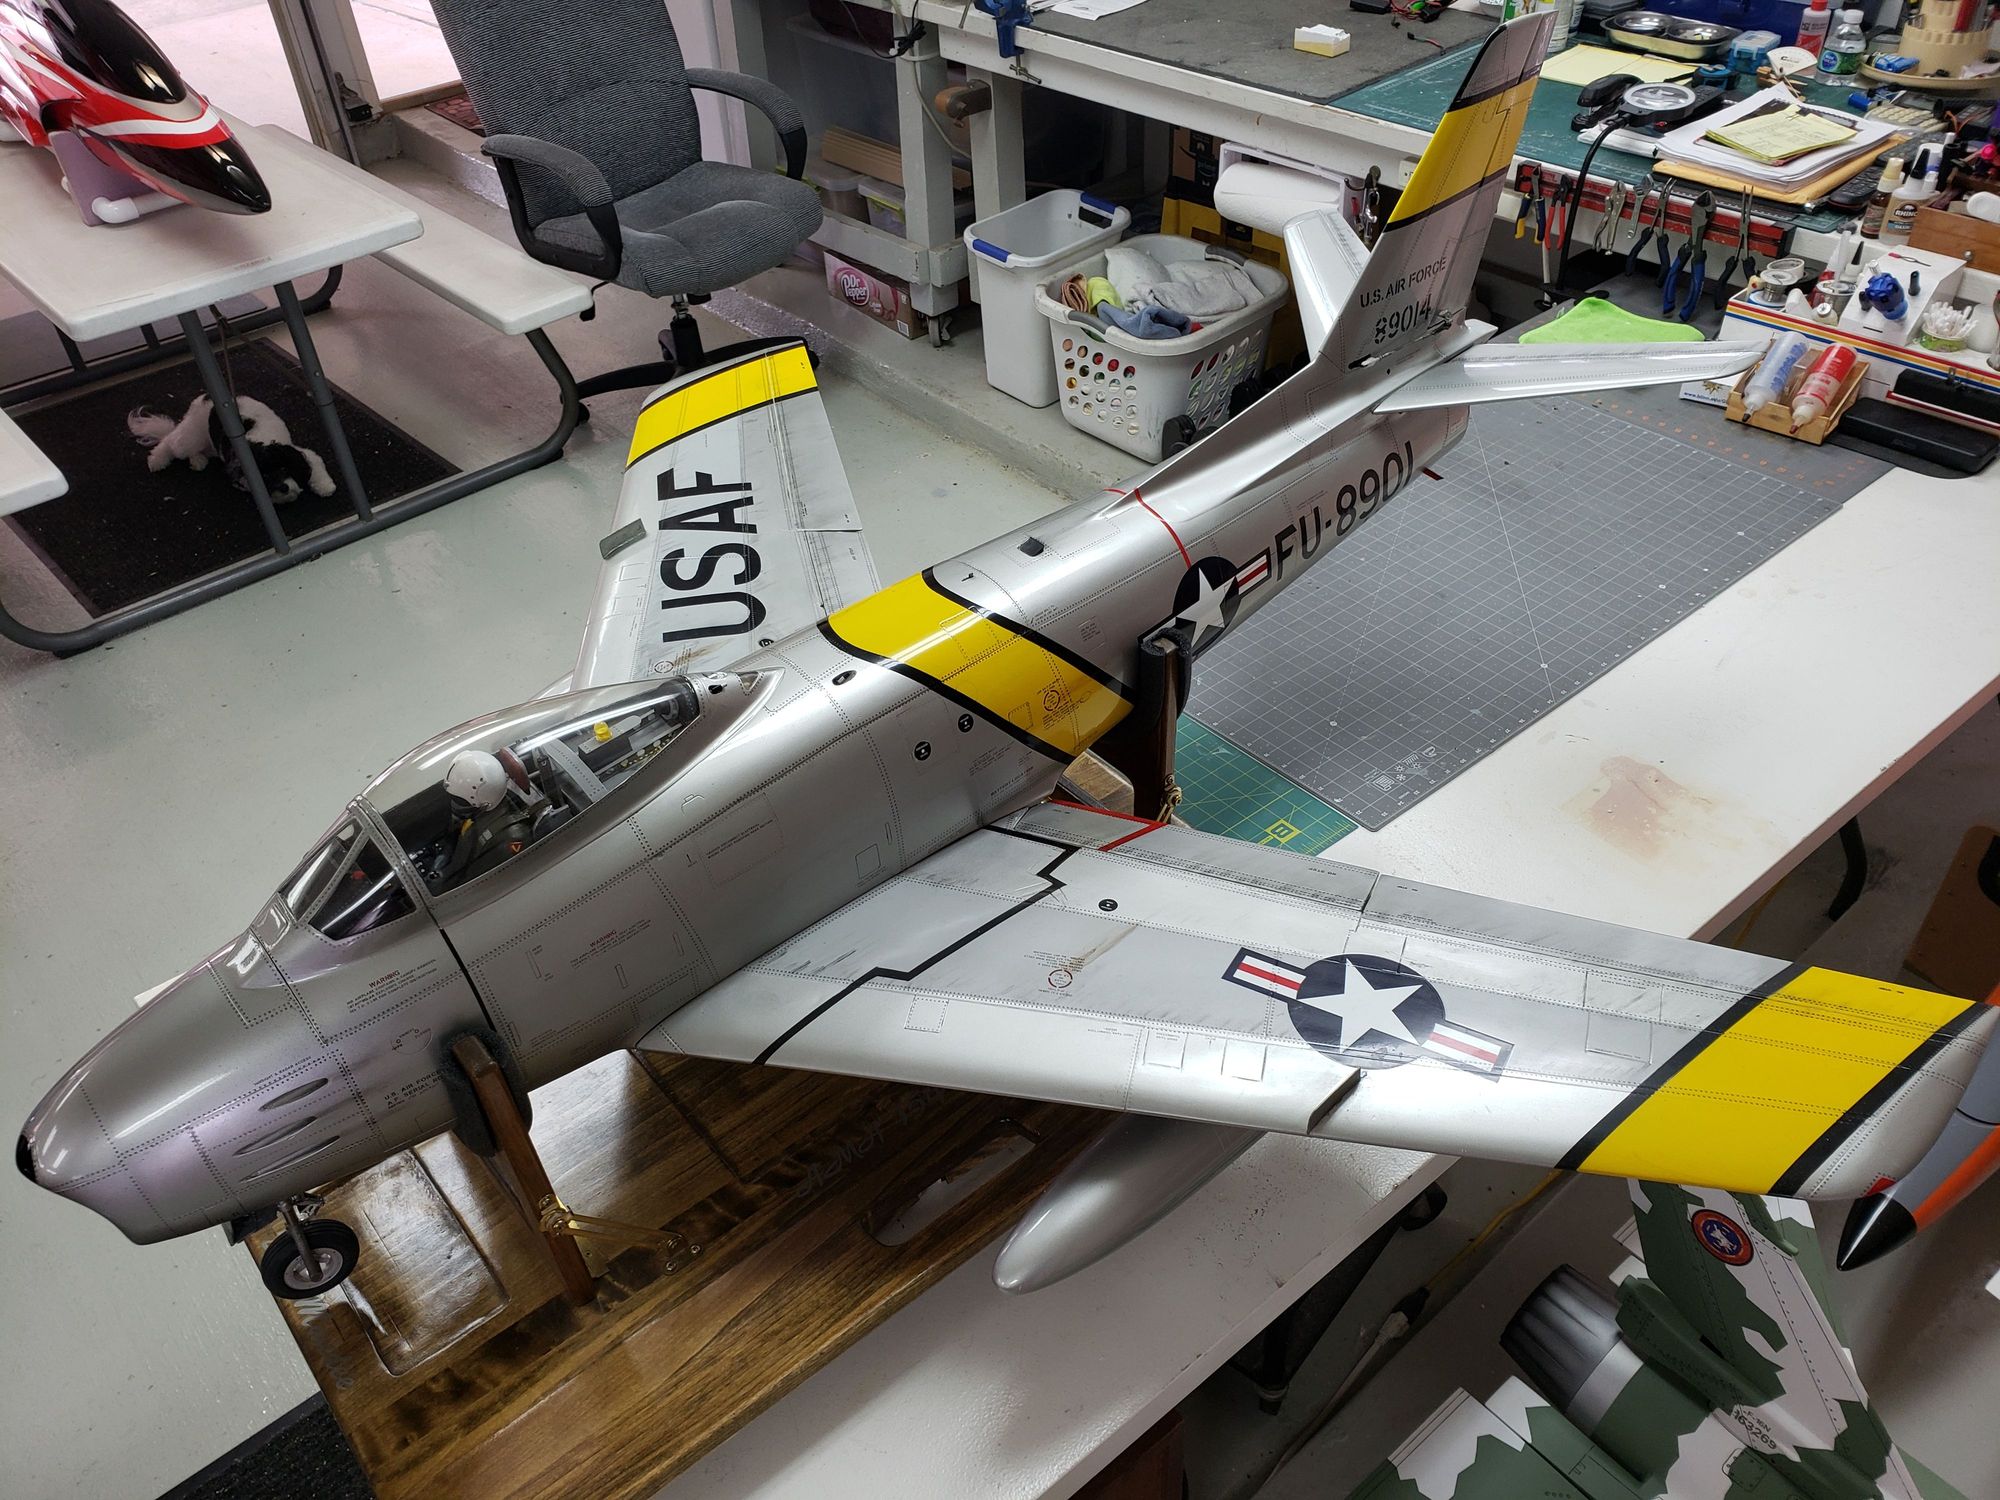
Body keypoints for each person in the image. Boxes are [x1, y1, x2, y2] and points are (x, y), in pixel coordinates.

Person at [428, 749, 537, 890]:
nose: (455, 804)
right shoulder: (476, 812)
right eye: (453, 798)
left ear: (485, 802)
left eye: (460, 800)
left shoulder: (510, 837)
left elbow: (479, 883)